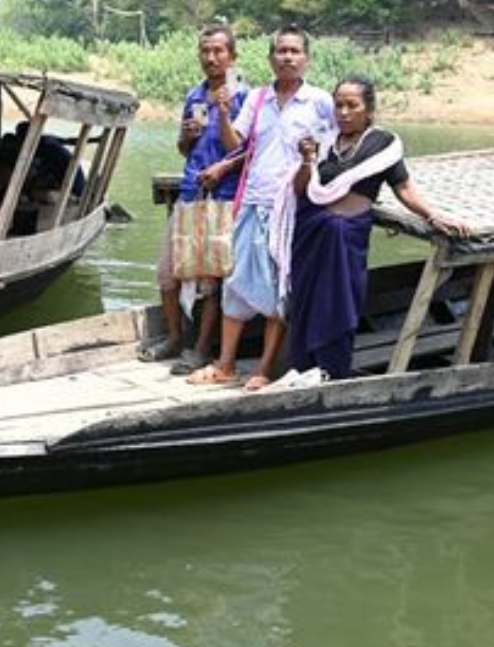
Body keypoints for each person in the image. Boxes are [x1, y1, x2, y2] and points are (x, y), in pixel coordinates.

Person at [273, 76, 469, 388]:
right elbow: (301, 190)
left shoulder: (383, 145)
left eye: (353, 105)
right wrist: (307, 160)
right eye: (339, 105)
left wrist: (432, 214)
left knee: (338, 301)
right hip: (311, 233)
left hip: (344, 237)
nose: (344, 112)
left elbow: (403, 188)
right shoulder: (324, 142)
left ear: (370, 110)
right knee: (307, 300)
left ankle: (331, 372)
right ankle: (302, 367)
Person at [197, 24, 333, 390]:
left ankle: (264, 368)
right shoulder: (257, 99)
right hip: (252, 202)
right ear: (270, 58)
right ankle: (224, 364)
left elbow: (333, 152)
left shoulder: (321, 102)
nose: (287, 57)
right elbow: (234, 145)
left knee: (278, 287)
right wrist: (223, 113)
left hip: (291, 208)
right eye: (281, 51)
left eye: (295, 51)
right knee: (236, 282)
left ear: (306, 58)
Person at [153, 26, 245, 369]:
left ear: (232, 57)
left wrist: (222, 115)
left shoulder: (245, 97)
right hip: (191, 191)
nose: (211, 58)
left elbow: (242, 150)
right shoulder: (194, 96)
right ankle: (175, 338)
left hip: (222, 196)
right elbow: (183, 150)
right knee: (167, 271)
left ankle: (201, 348)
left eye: (219, 51)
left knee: (209, 279)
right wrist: (187, 136)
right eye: (205, 51)